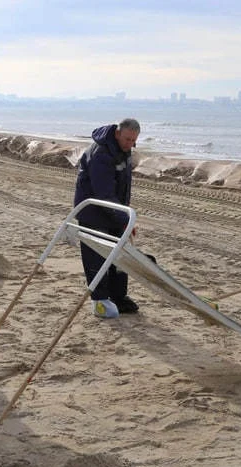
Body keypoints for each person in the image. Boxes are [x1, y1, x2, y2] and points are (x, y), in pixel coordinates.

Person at [73, 118, 141, 318]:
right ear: (118, 133)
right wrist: (125, 218)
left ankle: (119, 296)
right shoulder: (101, 154)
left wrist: (124, 217)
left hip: (114, 210)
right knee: (97, 255)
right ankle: (100, 300)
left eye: (133, 141)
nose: (130, 144)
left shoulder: (124, 149)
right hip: (94, 211)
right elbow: (103, 193)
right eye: (127, 139)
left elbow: (122, 186)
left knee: (119, 256)